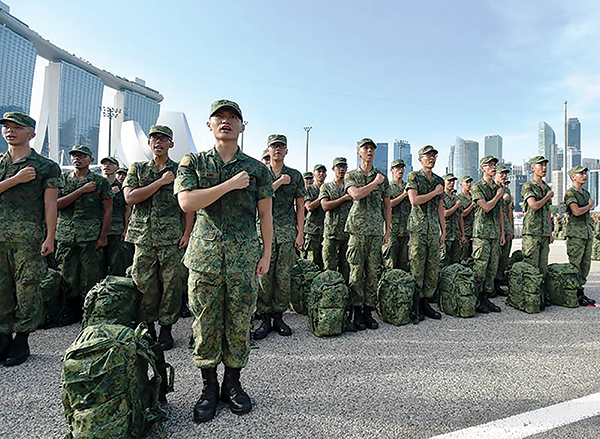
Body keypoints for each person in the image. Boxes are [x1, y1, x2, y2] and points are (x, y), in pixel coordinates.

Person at [175, 99, 273, 422]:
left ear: (243, 127)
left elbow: (265, 215)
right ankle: (208, 387)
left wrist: (267, 253)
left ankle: (233, 384)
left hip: (243, 258)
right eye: (220, 117)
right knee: (205, 323)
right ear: (209, 125)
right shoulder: (194, 163)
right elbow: (188, 201)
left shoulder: (257, 169)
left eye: (233, 117)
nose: (226, 121)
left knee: (239, 322)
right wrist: (230, 184)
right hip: (205, 259)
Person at [123, 125, 194, 350]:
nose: (158, 142)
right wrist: (161, 182)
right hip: (143, 236)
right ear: (149, 143)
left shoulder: (180, 171)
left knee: (172, 284)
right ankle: (147, 326)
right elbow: (131, 198)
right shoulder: (138, 168)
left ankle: (166, 328)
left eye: (164, 139)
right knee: (144, 282)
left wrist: (187, 233)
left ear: (171, 144)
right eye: (154, 138)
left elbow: (188, 205)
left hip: (172, 237)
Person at [0, 112, 61, 367]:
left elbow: (50, 205)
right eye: (7, 127)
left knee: (27, 288)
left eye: (17, 127)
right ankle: (3, 334)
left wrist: (50, 237)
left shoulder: (46, 166)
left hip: (28, 238)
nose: (10, 131)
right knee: (1, 287)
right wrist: (15, 180)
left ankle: (22, 337)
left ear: (32, 134)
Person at [255, 134, 305, 339]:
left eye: (281, 146)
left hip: (286, 231)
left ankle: (278, 316)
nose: (277, 149)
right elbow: (256, 198)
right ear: (268, 150)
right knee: (264, 276)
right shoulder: (260, 173)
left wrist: (300, 232)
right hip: (264, 232)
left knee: (283, 277)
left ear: (286, 151)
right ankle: (264, 317)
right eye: (273, 146)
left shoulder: (295, 175)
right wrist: (278, 182)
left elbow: (301, 206)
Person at [56, 145, 113, 320]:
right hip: (66, 235)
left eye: (82, 156)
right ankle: (69, 311)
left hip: (90, 236)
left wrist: (103, 236)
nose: (77, 159)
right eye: (74, 156)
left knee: (91, 275)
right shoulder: (62, 179)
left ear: (91, 160)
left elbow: (108, 209)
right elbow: (57, 204)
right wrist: (81, 190)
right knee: (67, 275)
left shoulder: (100, 182)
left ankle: (89, 312)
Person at [345, 138, 391, 330]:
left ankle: (368, 311)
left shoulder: (382, 176)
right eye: (366, 148)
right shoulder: (352, 175)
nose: (369, 151)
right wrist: (374, 183)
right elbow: (355, 195)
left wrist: (387, 229)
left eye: (372, 148)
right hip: (357, 230)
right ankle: (356, 310)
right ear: (359, 153)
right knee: (356, 271)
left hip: (374, 230)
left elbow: (387, 204)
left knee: (372, 272)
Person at [406, 145, 445, 320]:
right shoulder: (414, 176)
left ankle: (425, 302)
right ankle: (415, 304)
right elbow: (414, 200)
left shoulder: (439, 180)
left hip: (433, 230)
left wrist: (443, 230)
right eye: (427, 156)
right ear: (420, 159)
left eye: (434, 156)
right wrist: (434, 192)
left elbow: (440, 207)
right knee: (417, 266)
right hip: (418, 230)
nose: (431, 158)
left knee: (432, 267)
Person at [471, 156, 504, 313]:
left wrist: (502, 233)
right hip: (482, 234)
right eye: (489, 165)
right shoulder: (478, 187)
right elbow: (485, 207)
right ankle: (477, 299)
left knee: (492, 268)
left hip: (494, 234)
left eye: (494, 165)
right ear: (482, 168)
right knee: (480, 269)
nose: (493, 167)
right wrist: (497, 196)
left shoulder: (496, 187)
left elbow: (500, 213)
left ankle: (486, 298)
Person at [521, 155, 553, 304]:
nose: (544, 168)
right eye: (540, 165)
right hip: (532, 232)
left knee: (543, 267)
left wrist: (550, 230)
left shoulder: (546, 187)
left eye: (545, 165)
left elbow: (547, 211)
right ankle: (528, 297)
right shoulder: (528, 186)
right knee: (530, 267)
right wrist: (547, 197)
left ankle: (540, 295)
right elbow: (534, 206)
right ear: (532, 168)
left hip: (543, 231)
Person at [564, 166, 596, 306]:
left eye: (585, 173)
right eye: (580, 173)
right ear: (573, 177)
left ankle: (580, 292)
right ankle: (572, 294)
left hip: (586, 233)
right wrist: (589, 206)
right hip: (576, 235)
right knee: (575, 266)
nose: (584, 175)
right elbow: (576, 211)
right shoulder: (571, 193)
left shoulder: (586, 193)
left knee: (585, 266)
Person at [319, 157, 352, 281]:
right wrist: (343, 198)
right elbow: (325, 206)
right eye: (339, 167)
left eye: (344, 167)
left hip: (347, 233)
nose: (341, 169)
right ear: (333, 169)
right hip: (331, 233)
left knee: (346, 267)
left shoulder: (350, 187)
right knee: (329, 268)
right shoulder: (326, 187)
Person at [101, 156, 132, 275]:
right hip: (97, 231)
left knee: (117, 265)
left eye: (110, 164)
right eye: (104, 164)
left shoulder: (123, 188)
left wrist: (125, 229)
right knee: (98, 267)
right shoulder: (97, 185)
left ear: (117, 167)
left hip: (116, 231)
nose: (106, 166)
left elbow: (127, 209)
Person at [383, 159, 411, 271]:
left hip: (405, 229)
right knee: (390, 261)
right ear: (392, 170)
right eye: (397, 168)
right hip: (392, 229)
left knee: (404, 261)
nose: (400, 170)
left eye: (402, 168)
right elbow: (389, 204)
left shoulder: (408, 186)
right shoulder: (389, 187)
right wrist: (404, 195)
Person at [303, 163, 326, 269]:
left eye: (323, 172)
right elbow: (309, 207)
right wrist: (322, 198)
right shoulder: (309, 189)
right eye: (319, 172)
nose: (321, 174)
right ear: (314, 174)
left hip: (326, 231)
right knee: (310, 262)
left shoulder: (328, 188)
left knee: (323, 262)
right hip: (312, 230)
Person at [494, 165, 513, 296]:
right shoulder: (492, 189)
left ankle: (498, 281)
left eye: (505, 174)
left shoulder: (506, 190)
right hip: (493, 226)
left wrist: (510, 228)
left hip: (505, 225)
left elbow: (509, 211)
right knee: (494, 257)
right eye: (501, 174)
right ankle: (490, 285)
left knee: (504, 257)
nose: (504, 176)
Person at [441, 173, 465, 267]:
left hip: (456, 235)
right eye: (449, 181)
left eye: (453, 181)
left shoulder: (456, 198)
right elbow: (445, 214)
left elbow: (460, 218)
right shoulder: (441, 197)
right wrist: (456, 206)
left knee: (456, 262)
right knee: (443, 262)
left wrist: (462, 234)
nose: (451, 183)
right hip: (446, 235)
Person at [458, 176, 475, 260]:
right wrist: (472, 205)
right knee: (463, 256)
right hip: (465, 231)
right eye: (466, 182)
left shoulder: (474, 196)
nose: (469, 184)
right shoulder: (459, 198)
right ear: (461, 184)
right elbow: (463, 214)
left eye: (470, 182)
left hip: (475, 231)